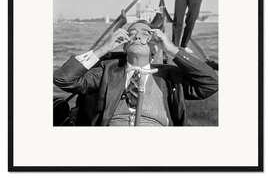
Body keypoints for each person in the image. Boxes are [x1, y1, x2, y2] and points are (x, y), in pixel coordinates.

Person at [54, 20, 218, 126]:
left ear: (154, 47)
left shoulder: (169, 76)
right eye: (132, 34)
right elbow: (63, 79)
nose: (138, 36)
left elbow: (210, 83)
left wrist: (171, 49)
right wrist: (104, 48)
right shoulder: (108, 70)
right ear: (124, 46)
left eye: (146, 33)